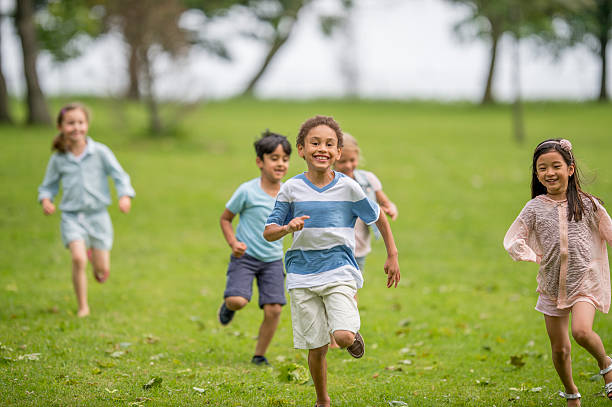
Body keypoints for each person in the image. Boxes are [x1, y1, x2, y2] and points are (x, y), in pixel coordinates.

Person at [263, 115, 400, 407]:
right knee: (317, 346)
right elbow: (269, 231)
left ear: (338, 153)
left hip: (339, 269)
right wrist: (288, 228)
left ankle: (352, 332)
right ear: (301, 149)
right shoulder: (290, 189)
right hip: (301, 276)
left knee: (343, 335)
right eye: (315, 143)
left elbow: (378, 216)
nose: (322, 148)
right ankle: (322, 401)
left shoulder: (349, 188)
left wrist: (392, 254)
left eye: (329, 144)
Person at [504, 138, 612, 406]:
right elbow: (513, 237)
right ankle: (571, 393)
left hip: (584, 282)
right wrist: (528, 253)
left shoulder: (589, 204)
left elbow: (610, 232)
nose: (549, 173)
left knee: (581, 332)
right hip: (552, 286)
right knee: (560, 350)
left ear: (570, 169)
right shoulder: (534, 207)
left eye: (556, 166)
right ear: (537, 173)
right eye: (542, 168)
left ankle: (606, 365)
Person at [38, 102, 135, 317]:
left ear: (87, 125)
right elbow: (48, 185)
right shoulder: (59, 159)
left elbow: (120, 175)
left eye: (80, 122)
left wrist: (124, 196)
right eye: (70, 123)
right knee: (78, 259)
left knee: (100, 270)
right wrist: (46, 200)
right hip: (72, 217)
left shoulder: (100, 152)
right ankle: (83, 306)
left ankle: (97, 259)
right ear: (61, 126)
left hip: (98, 216)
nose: (76, 127)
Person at [217, 130, 292, 366]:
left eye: (285, 159)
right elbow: (225, 218)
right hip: (246, 257)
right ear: (260, 162)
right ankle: (228, 305)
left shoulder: (289, 193)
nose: (280, 163)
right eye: (274, 158)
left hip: (273, 260)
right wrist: (233, 243)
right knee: (238, 301)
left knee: (274, 310)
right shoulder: (247, 191)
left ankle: (259, 355)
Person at [334, 133, 398, 272]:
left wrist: (390, 209)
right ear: (333, 159)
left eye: (352, 160)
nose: (348, 165)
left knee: (353, 289)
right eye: (342, 161)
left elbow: (386, 202)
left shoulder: (368, 180)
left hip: (359, 248)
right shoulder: (329, 184)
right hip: (335, 248)